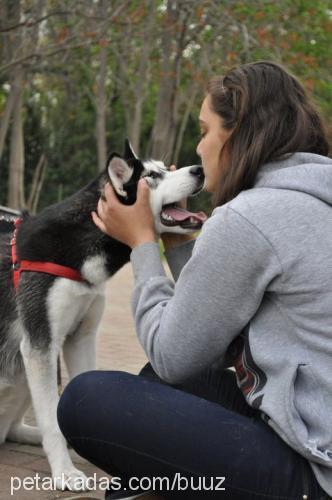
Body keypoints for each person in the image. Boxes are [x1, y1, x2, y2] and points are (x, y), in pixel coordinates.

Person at [57, 61, 331, 499]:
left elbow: (173, 353)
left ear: (237, 131)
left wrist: (143, 241)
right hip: (310, 422)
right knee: (169, 383)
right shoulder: (311, 199)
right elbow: (204, 339)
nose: (199, 149)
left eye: (204, 131)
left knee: (86, 398)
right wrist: (178, 240)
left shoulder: (252, 216)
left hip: (313, 473)